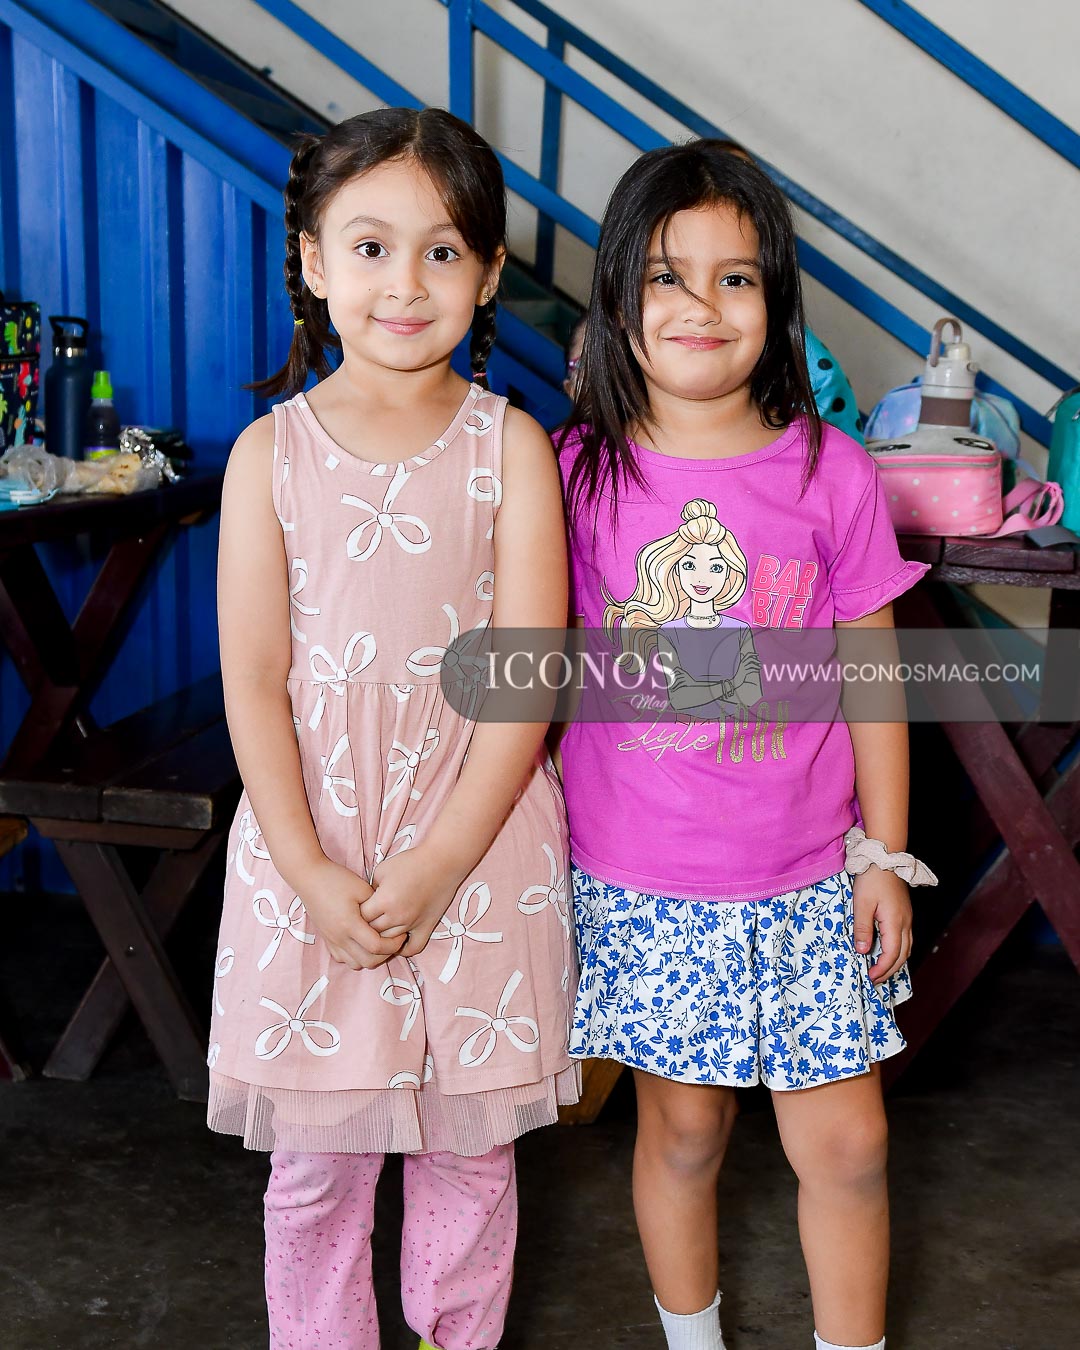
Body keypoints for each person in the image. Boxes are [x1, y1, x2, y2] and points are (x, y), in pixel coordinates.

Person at [556, 140, 936, 1350]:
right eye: (666, 277)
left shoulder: (834, 472)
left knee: (852, 1144)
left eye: (736, 278)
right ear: (618, 298)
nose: (702, 306)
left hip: (813, 874)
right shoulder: (573, 474)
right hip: (648, 879)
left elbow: (874, 675)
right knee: (684, 1133)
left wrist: (886, 855)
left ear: (776, 303)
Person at [209, 106, 578, 1350]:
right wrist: (309, 868)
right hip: (310, 848)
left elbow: (526, 678)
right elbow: (255, 678)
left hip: (477, 848)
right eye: (370, 247)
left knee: (471, 1163)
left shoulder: (511, 450)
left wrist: (438, 862)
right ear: (314, 262)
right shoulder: (266, 456)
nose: (406, 283)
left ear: (488, 273)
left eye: (442, 250)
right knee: (316, 1171)